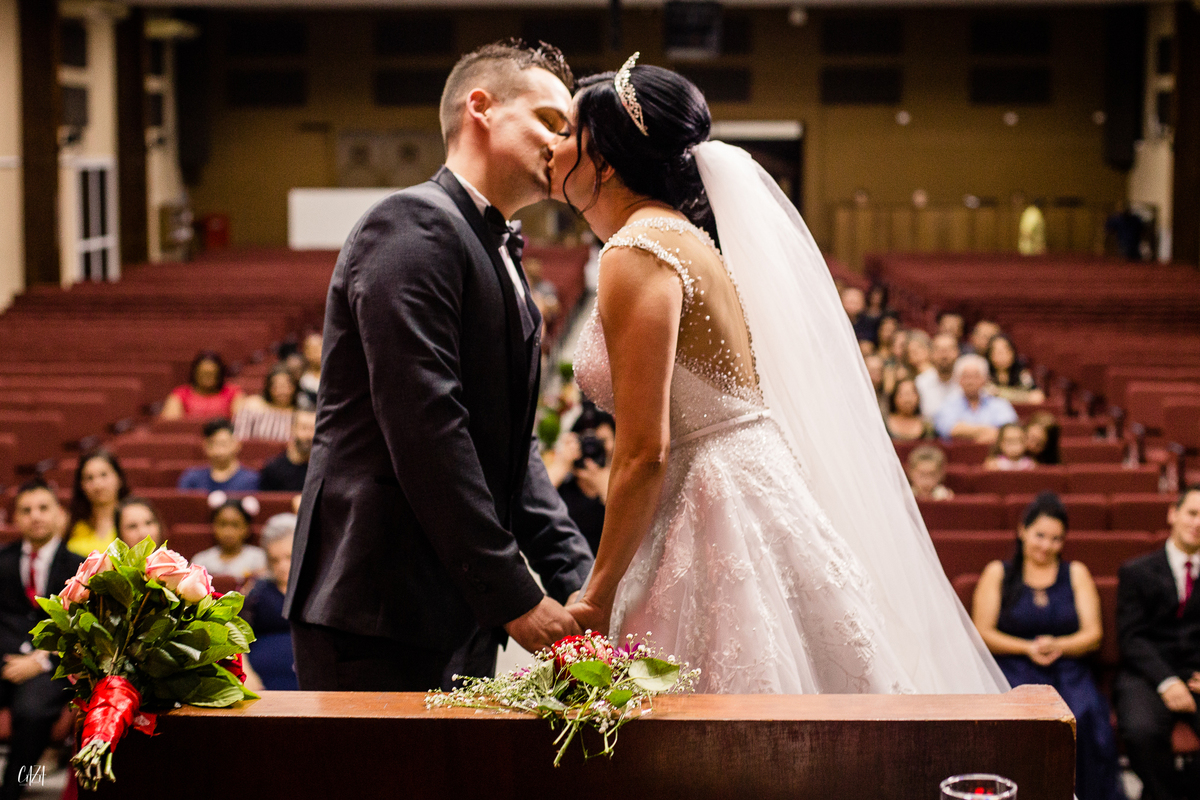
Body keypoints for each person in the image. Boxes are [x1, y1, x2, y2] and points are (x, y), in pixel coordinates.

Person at [552, 55, 1006, 693]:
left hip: (708, 498)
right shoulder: (687, 237)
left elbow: (643, 450)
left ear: (603, 160)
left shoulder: (637, 250)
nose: (552, 144)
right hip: (749, 478)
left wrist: (596, 596)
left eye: (567, 131)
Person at [284, 40, 594, 693]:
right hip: (378, 605)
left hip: (445, 605)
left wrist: (576, 576)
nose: (560, 146)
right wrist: (513, 592)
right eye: (547, 121)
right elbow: (427, 428)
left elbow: (514, 450)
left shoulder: (496, 245)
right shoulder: (413, 223)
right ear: (479, 107)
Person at [971, 492, 1124, 800]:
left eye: (1056, 539)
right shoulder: (998, 572)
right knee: (1017, 722)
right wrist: (1027, 648)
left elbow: (1093, 634)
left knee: (1080, 715)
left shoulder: (1076, 572)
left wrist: (1060, 645)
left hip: (1068, 667)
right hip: (1012, 666)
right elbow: (982, 632)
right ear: (1022, 530)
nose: (1046, 545)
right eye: (1040, 535)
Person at [1115, 486, 1200, 800]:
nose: (1198, 523)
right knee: (1141, 731)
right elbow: (1132, 637)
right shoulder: (1136, 571)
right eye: (1192, 513)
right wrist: (1166, 681)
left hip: (1197, 674)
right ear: (1173, 514)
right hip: (1147, 674)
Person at [0, 480, 83, 800]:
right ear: (16, 519)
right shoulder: (3, 561)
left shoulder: (79, 567)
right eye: (26, 510)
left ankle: (11, 789)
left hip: (52, 667)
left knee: (33, 711)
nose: (35, 516)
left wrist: (37, 660)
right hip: (5, 662)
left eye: (43, 508)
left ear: (59, 515)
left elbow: (80, 630)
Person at [547, 406, 615, 555]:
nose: (592, 448)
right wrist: (561, 466)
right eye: (586, 441)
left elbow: (629, 529)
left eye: (601, 441)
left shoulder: (620, 487)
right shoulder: (563, 489)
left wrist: (606, 487)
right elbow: (533, 503)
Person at [244, 514, 298, 690]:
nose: (282, 565)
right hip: (261, 686)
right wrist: (247, 675)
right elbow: (236, 637)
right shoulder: (257, 591)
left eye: (289, 557)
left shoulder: (316, 588)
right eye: (274, 560)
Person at [933, 354, 1018, 444]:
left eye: (976, 376)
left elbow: (1010, 431)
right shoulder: (948, 404)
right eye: (966, 376)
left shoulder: (999, 404)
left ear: (985, 379)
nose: (970, 382)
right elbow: (949, 429)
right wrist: (989, 432)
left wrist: (967, 433)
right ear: (958, 380)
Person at [65, 449, 130, 557]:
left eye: (104, 475)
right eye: (89, 478)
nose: (97, 485)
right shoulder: (70, 523)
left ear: (119, 478)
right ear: (81, 485)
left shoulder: (133, 519)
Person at [192, 495, 267, 584]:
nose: (228, 532)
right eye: (223, 524)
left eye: (235, 525)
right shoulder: (201, 561)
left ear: (247, 528)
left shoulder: (259, 559)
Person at [177, 418, 260, 493]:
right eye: (212, 443)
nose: (219, 450)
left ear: (237, 444)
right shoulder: (191, 478)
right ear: (205, 446)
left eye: (223, 443)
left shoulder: (251, 480)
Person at [160, 351, 245, 421]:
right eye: (204, 374)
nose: (208, 378)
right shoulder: (181, 394)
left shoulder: (233, 393)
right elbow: (170, 423)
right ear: (195, 373)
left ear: (219, 374)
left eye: (212, 374)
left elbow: (239, 422)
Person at [233, 363, 298, 442]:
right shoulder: (253, 407)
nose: (282, 391)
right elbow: (239, 438)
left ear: (294, 387)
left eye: (286, 386)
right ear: (269, 388)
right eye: (276, 386)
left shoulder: (301, 414)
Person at [258, 409, 315, 493]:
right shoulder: (273, 469)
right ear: (292, 430)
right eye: (304, 428)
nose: (310, 435)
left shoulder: (324, 470)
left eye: (314, 429)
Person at [985, 334, 1045, 405]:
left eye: (1006, 351)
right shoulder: (984, 373)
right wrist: (1023, 396)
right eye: (998, 352)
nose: (1002, 356)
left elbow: (1037, 396)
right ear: (989, 354)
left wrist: (999, 393)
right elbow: (985, 393)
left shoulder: (1021, 373)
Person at [915, 332, 960, 420]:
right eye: (939, 350)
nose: (944, 355)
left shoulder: (969, 380)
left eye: (949, 350)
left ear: (957, 352)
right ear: (931, 354)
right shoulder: (920, 383)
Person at [296, 332, 322, 411]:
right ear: (306, 353)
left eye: (320, 347)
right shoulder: (302, 380)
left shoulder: (337, 375)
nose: (318, 353)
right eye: (313, 349)